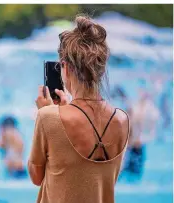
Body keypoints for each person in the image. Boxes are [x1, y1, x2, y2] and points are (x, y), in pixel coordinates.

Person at [28, 15, 130, 203]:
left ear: (65, 68)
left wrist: (48, 113)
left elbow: (36, 177)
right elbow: (98, 179)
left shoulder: (47, 117)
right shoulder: (122, 120)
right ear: (100, 68)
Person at [122, 89, 159, 181]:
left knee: (134, 171)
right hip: (134, 147)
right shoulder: (130, 118)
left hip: (136, 146)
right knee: (132, 170)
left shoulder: (135, 117)